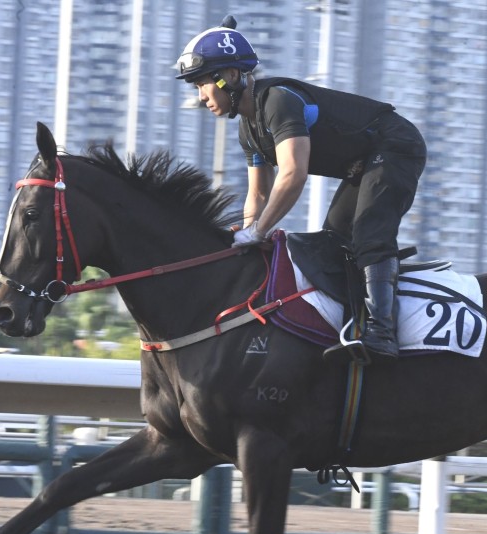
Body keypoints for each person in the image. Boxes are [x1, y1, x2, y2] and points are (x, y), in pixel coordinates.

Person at [176, 16, 427, 364]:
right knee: (334, 241)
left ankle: (382, 333)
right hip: (365, 162)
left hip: (395, 146)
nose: (202, 97)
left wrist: (260, 231)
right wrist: (248, 235)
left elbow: (294, 173)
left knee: (369, 236)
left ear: (230, 76)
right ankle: (351, 323)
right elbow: (258, 195)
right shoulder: (248, 130)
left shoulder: (277, 101)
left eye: (202, 84)